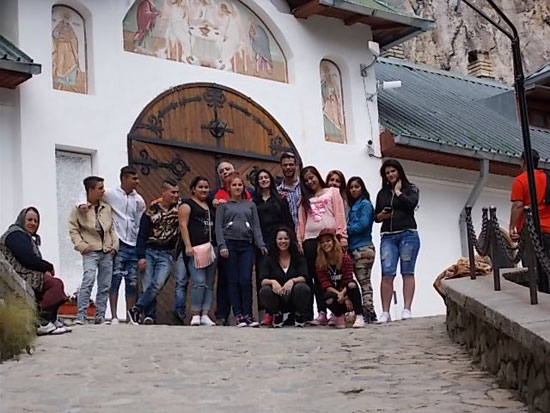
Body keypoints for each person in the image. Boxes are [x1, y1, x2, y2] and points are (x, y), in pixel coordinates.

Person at [0, 207, 69, 335]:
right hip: (19, 275)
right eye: (29, 220)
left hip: (25, 273)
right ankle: (42, 322)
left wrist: (44, 270)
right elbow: (27, 259)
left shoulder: (23, 235)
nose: (33, 223)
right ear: (22, 220)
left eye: (36, 221)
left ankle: (51, 319)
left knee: (53, 283)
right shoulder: (15, 234)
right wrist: (48, 267)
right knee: (55, 284)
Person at [215, 172, 267, 327]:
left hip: (246, 245)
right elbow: (218, 227)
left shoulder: (250, 205)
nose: (237, 187)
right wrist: (222, 246)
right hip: (230, 244)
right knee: (233, 280)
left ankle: (248, 314)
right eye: (234, 185)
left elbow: (256, 226)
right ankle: (238, 314)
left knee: (245, 280)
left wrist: (261, 244)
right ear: (229, 188)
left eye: (239, 185)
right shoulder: (223, 206)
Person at [297, 166, 347, 325]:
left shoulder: (333, 192)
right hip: (311, 240)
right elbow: (301, 222)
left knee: (333, 276)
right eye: (306, 180)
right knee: (317, 278)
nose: (310, 181)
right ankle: (321, 312)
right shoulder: (304, 199)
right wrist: (300, 241)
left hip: (329, 240)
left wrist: (342, 236)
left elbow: (339, 214)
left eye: (312, 177)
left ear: (317, 176)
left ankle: (337, 312)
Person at [128, 179, 181, 325]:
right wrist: (141, 256)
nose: (176, 195)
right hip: (149, 251)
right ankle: (149, 315)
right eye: (172, 192)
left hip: (166, 252)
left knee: (158, 283)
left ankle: (136, 309)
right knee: (147, 284)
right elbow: (142, 235)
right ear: (163, 192)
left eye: (177, 192)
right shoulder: (150, 211)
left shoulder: (180, 208)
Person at [374, 159, 420, 323]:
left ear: (399, 171)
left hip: (408, 234)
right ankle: (385, 312)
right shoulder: (382, 193)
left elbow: (411, 204)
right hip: (388, 235)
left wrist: (398, 192)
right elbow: (376, 216)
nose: (390, 175)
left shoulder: (411, 188)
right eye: (387, 173)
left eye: (393, 171)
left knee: (407, 271)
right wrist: (381, 216)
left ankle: (407, 308)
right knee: (387, 273)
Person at [69, 176, 118, 325]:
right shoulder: (79, 209)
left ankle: (100, 317)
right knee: (88, 280)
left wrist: (115, 246)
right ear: (90, 190)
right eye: (100, 188)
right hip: (90, 251)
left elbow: (112, 228)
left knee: (105, 285)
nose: (103, 191)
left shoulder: (106, 208)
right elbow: (73, 229)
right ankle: (81, 316)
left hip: (106, 251)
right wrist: (81, 246)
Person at [252, 168, 294, 326]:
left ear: (270, 180)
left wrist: (290, 240)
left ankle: (286, 310)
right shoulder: (254, 202)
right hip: (262, 241)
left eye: (266, 177)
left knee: (281, 273)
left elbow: (288, 221)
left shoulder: (281, 199)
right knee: (264, 275)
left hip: (279, 239)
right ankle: (268, 312)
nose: (263, 180)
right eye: (260, 178)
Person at [105, 166, 146, 324]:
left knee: (132, 282)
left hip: (133, 245)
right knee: (115, 279)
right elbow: (89, 194)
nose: (137, 181)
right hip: (119, 243)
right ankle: (114, 316)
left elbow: (139, 222)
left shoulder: (139, 200)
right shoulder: (111, 194)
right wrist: (82, 203)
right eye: (134, 178)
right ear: (124, 178)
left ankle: (130, 317)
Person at [179, 176, 217, 327]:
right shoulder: (187, 205)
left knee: (209, 282)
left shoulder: (209, 205)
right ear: (193, 189)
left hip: (211, 248)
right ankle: (195, 313)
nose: (204, 190)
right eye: (200, 187)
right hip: (195, 249)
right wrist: (188, 246)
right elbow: (183, 225)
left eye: (206, 187)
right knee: (199, 281)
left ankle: (205, 314)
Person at [259, 227, 311, 327]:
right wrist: (273, 282)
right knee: (265, 290)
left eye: (286, 238)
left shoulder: (298, 257)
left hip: (294, 296)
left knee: (303, 287)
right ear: (275, 240)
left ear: (291, 240)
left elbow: (305, 277)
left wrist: (292, 281)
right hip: (277, 297)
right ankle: (277, 314)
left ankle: (298, 315)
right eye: (280, 239)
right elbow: (262, 280)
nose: (283, 241)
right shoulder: (269, 258)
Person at [315, 229, 364, 328]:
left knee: (352, 284)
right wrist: (339, 294)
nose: (325, 244)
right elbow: (325, 283)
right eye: (323, 242)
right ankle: (338, 315)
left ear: (334, 242)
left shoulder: (345, 258)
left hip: (347, 292)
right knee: (327, 296)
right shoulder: (319, 262)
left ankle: (359, 315)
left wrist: (345, 296)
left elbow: (348, 278)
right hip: (335, 295)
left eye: (328, 241)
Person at [346, 176, 376, 323]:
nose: (353, 190)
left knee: (364, 280)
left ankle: (369, 310)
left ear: (362, 188)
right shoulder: (353, 206)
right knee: (359, 280)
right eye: (351, 187)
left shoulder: (365, 204)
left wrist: (346, 230)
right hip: (354, 247)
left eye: (356, 187)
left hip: (363, 247)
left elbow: (363, 224)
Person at [509, 149, 550, 247]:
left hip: (530, 231)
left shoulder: (520, 180)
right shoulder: (547, 177)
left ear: (523, 162)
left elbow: (518, 205)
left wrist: (512, 227)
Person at [277, 152, 301, 229]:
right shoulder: (278, 191)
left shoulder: (304, 186)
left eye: (291, 164)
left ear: (296, 166)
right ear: (281, 167)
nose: (288, 167)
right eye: (285, 165)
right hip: (288, 231)